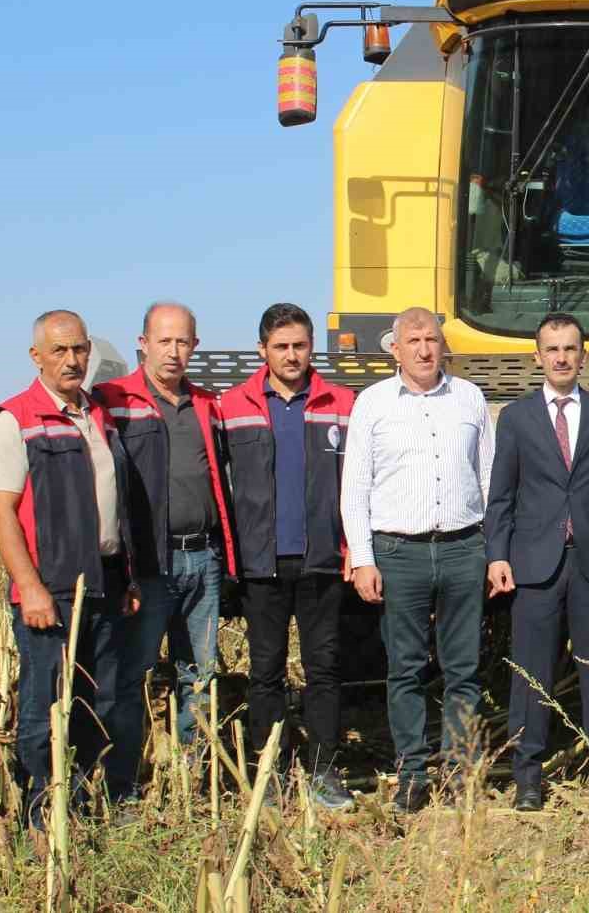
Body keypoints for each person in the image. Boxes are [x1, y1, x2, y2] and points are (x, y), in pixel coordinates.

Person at [0, 310, 139, 832]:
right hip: (51, 589)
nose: (72, 360)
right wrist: (29, 587)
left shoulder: (99, 414)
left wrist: (128, 578)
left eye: (79, 350)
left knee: (102, 702)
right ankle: (41, 813)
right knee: (45, 706)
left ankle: (90, 804)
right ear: (37, 357)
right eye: (59, 351)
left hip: (106, 580)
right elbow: (1, 509)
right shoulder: (15, 419)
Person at [484, 312, 589, 810]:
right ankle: (528, 776)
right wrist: (497, 556)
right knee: (531, 673)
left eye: (570, 348)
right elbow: (501, 497)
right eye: (552, 349)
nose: (561, 357)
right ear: (537, 356)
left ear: (583, 356)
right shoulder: (515, 417)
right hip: (534, 562)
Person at [341, 306, 494, 814]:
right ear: (395, 348)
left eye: (432, 339)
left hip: (462, 547)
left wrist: (493, 550)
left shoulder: (470, 398)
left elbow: (489, 480)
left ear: (443, 345)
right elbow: (355, 487)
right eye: (414, 340)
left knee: (463, 668)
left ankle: (458, 773)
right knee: (404, 668)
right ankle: (412, 771)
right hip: (398, 552)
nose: (425, 349)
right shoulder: (373, 404)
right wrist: (363, 558)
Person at [97, 302, 237, 795]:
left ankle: (191, 780)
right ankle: (124, 782)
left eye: (183, 342)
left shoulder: (206, 404)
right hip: (149, 565)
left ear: (195, 346)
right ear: (143, 343)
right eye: (164, 341)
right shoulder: (112, 400)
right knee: (132, 674)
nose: (174, 352)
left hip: (204, 557)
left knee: (199, 675)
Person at [220, 303, 354, 809]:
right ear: (262, 351)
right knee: (266, 672)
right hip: (261, 564)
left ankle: (323, 772)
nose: (292, 355)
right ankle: (270, 776)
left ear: (311, 347)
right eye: (281, 346)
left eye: (300, 345)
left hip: (322, 559)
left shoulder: (341, 403)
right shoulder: (231, 407)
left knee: (323, 670)